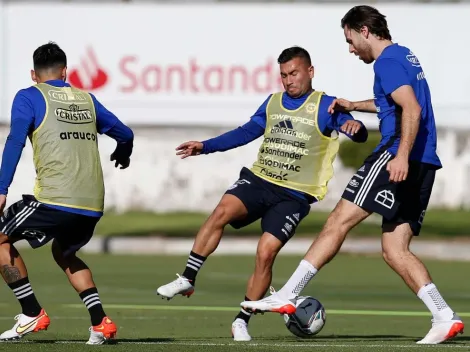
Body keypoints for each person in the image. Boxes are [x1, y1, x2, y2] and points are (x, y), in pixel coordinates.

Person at [240, 6, 464, 345]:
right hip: (425, 161)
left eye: (349, 40)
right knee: (394, 247)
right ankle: (443, 316)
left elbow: (412, 109)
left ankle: (289, 293)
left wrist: (400, 155)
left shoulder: (386, 62)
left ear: (364, 31)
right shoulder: (403, 55)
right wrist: (353, 105)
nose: (350, 49)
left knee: (338, 220)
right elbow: (394, 101)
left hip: (395, 155)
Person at [156, 46, 368, 342]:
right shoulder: (273, 103)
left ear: (310, 71)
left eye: (294, 73)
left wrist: (354, 127)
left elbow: (356, 132)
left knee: (265, 253)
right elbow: (246, 132)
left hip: (294, 195)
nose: (288, 80)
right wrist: (205, 146)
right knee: (221, 212)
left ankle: (241, 321)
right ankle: (187, 278)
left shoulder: (326, 105)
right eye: (283, 75)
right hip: (259, 180)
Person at [0, 42, 134, 344]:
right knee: (64, 251)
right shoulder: (87, 98)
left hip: (54, 198)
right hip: (91, 204)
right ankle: (101, 322)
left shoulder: (29, 96)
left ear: (34, 74)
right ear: (65, 72)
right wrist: (123, 154)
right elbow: (125, 134)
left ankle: (31, 312)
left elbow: (15, 140)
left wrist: (1, 189)